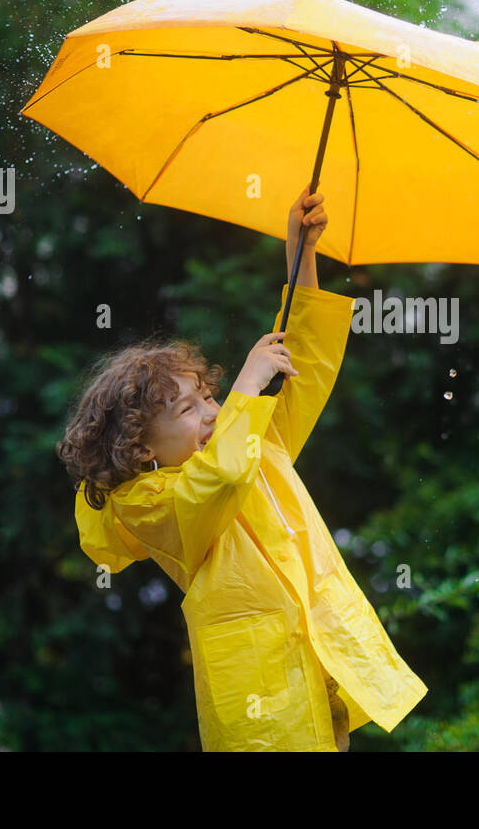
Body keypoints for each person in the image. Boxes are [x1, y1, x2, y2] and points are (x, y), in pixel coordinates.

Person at [56, 185, 426, 751]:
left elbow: (306, 363)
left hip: (323, 660)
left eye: (211, 396)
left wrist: (300, 259)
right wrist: (246, 385)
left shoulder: (251, 441)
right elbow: (219, 482)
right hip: (261, 704)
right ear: (141, 447)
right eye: (189, 408)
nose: (214, 410)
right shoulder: (148, 502)